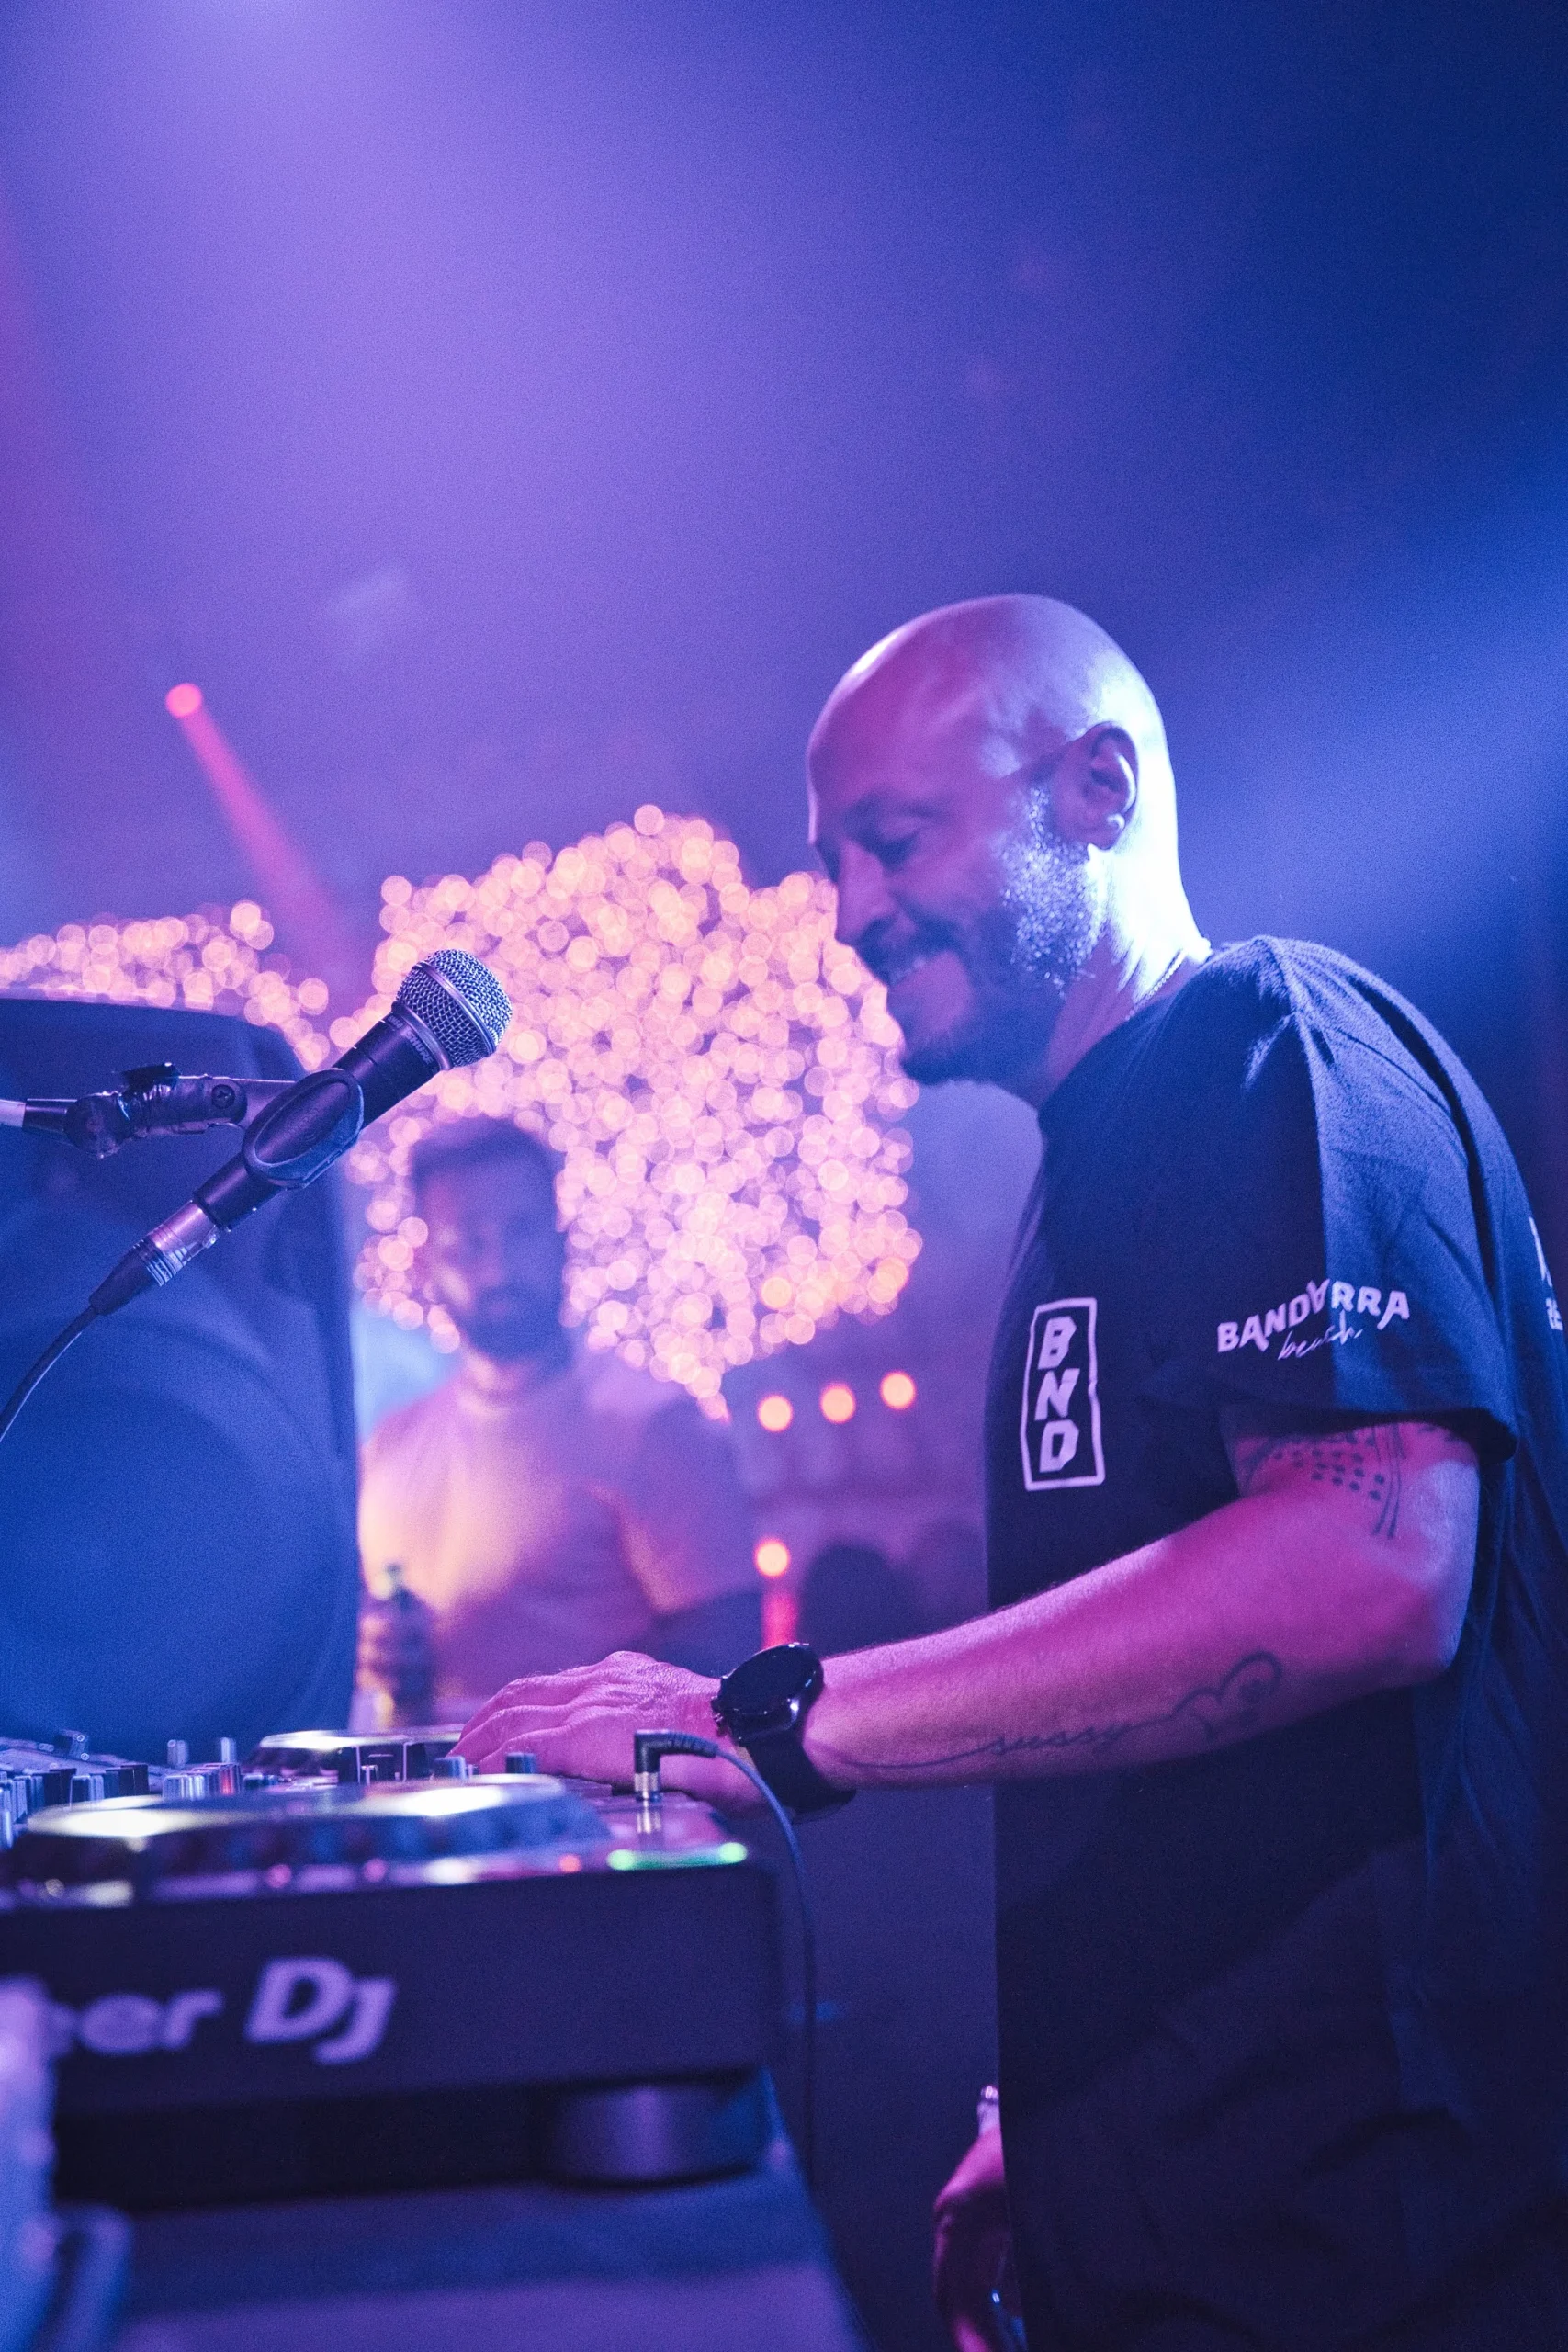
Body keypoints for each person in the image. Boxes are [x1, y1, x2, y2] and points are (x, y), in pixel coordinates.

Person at [455, 597, 1568, 2350]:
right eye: (831, 865)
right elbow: (1138, 1730)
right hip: (1172, 2189)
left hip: (1368, 2232)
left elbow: (1370, 1561)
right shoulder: (1092, 1160)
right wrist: (1038, 2109)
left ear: (1097, 790)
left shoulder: (1268, 1049)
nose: (853, 912)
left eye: (895, 840)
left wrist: (774, 1719)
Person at [357, 1117, 760, 1720]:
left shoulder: (655, 1426)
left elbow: (727, 1663)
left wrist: (563, 1726)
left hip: (599, 1782)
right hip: (426, 1776)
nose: (497, 1270)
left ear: (560, 1240)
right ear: (424, 1263)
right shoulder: (390, 1445)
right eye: (467, 1244)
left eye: (520, 1233)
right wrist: (379, 1651)